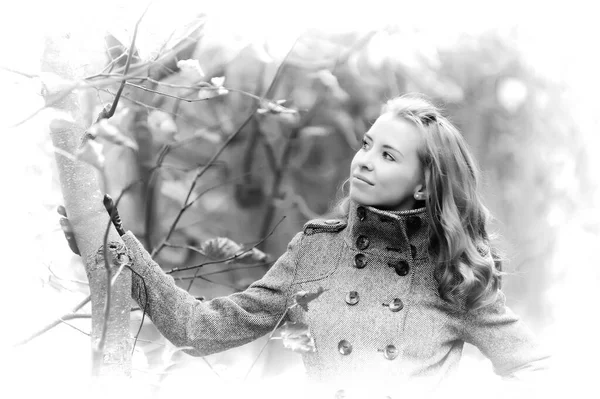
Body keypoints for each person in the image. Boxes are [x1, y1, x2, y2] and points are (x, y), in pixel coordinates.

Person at [118, 93, 551, 398]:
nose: (363, 160)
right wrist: (114, 242)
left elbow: (534, 369)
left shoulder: (453, 275)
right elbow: (198, 330)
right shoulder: (317, 251)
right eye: (366, 144)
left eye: (388, 155)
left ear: (423, 185)